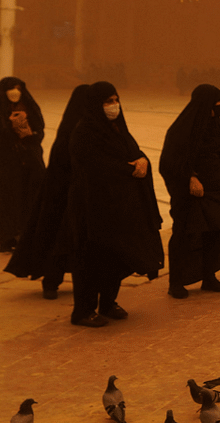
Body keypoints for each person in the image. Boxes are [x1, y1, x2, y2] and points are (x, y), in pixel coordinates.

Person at [66, 82, 164, 326]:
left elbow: (133, 152)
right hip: (93, 207)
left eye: (115, 99)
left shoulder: (117, 128)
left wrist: (143, 161)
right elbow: (95, 166)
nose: (113, 106)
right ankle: (83, 310)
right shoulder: (85, 132)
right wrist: (129, 170)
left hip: (118, 207)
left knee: (115, 256)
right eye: (107, 101)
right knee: (91, 258)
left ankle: (108, 302)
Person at [5, 85, 92, 299]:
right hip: (63, 198)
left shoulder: (91, 128)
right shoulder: (71, 131)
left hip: (85, 196)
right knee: (60, 241)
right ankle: (52, 281)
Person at [160, 85, 220, 299]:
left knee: (215, 234)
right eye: (217, 103)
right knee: (186, 234)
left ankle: (209, 276)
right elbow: (170, 161)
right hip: (193, 194)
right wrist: (191, 177)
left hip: (219, 190)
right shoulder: (182, 129)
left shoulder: (217, 125)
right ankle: (176, 282)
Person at [0, 78, 46, 253]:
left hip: (28, 164)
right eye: (11, 89)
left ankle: (24, 236)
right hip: (2, 165)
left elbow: (39, 131)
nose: (15, 92)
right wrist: (9, 128)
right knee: (4, 202)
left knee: (28, 200)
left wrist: (27, 130)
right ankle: (5, 238)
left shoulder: (29, 107)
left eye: (18, 88)